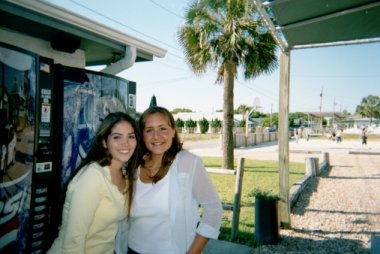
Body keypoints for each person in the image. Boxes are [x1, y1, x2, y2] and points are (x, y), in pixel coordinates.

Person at [126, 106, 223, 254]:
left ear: (173, 131)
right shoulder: (134, 166)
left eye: (162, 128)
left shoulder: (188, 163)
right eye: (149, 130)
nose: (156, 136)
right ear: (142, 135)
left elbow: (214, 210)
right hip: (132, 249)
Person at [48, 112, 141, 254]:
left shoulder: (125, 177)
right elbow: (74, 242)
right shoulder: (93, 176)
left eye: (131, 136)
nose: (126, 143)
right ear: (104, 142)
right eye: (117, 137)